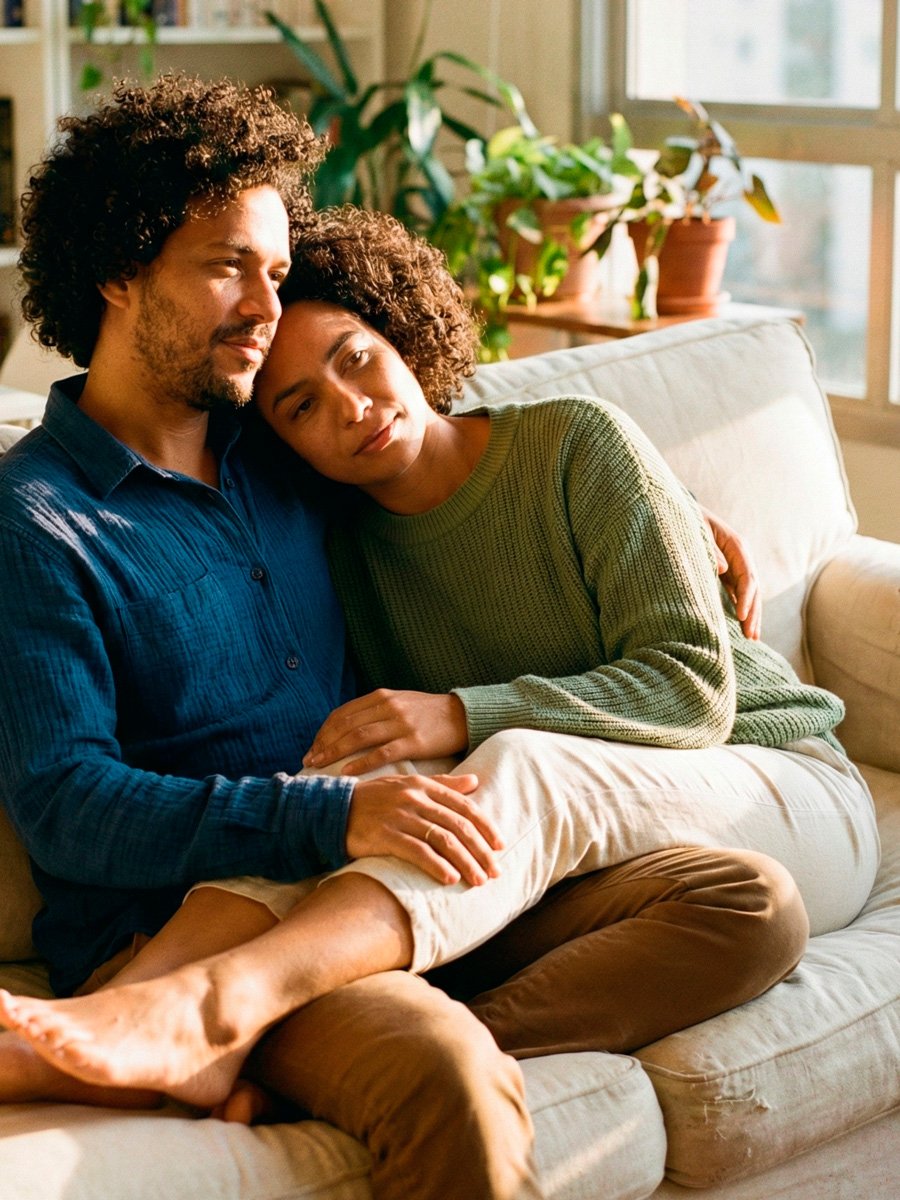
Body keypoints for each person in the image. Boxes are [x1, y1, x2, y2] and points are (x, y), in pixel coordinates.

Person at [0, 74, 796, 1200]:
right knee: (446, 1079)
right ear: (119, 270)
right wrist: (330, 812)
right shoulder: (33, 519)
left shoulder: (278, 447)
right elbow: (66, 803)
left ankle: (294, 1046)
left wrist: (661, 504)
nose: (264, 310)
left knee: (746, 904)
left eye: (275, 274)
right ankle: (213, 1025)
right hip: (196, 922)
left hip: (383, 878)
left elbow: (431, 421)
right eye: (228, 265)